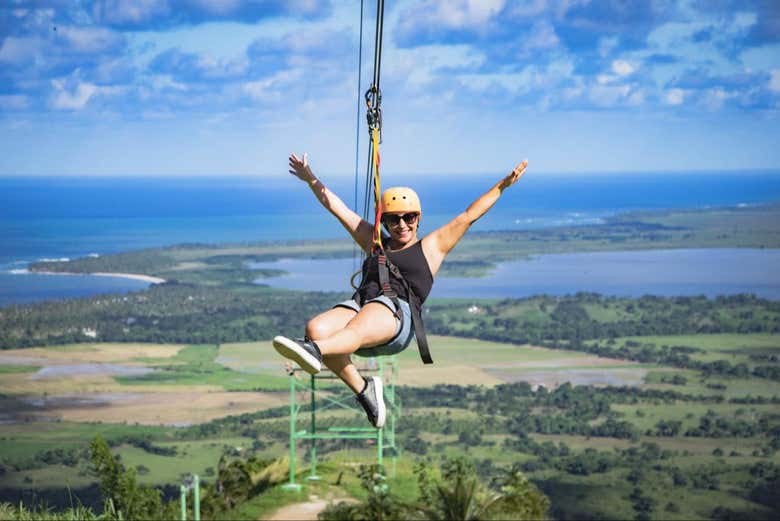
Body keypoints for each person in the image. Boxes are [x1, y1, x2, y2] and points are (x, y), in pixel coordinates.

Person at [273, 152, 528, 428]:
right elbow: (338, 208)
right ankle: (364, 390)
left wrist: (502, 186)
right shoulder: (376, 243)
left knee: (360, 319)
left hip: (397, 319)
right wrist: (310, 177)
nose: (402, 225)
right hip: (363, 310)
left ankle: (315, 351)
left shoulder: (431, 248)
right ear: (385, 223)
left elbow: (468, 216)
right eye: (394, 220)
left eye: (408, 218)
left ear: (418, 218)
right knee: (316, 328)